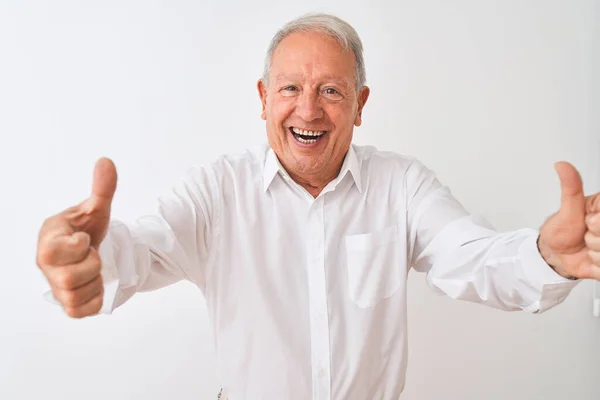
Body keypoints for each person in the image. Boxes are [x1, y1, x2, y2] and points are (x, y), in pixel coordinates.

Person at [36, 13, 599, 400]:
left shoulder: (401, 184)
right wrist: (90, 259)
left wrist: (546, 255)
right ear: (263, 99)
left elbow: (472, 259)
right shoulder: (217, 192)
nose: (308, 110)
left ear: (360, 104)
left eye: (331, 91)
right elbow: (141, 248)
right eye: (288, 90)